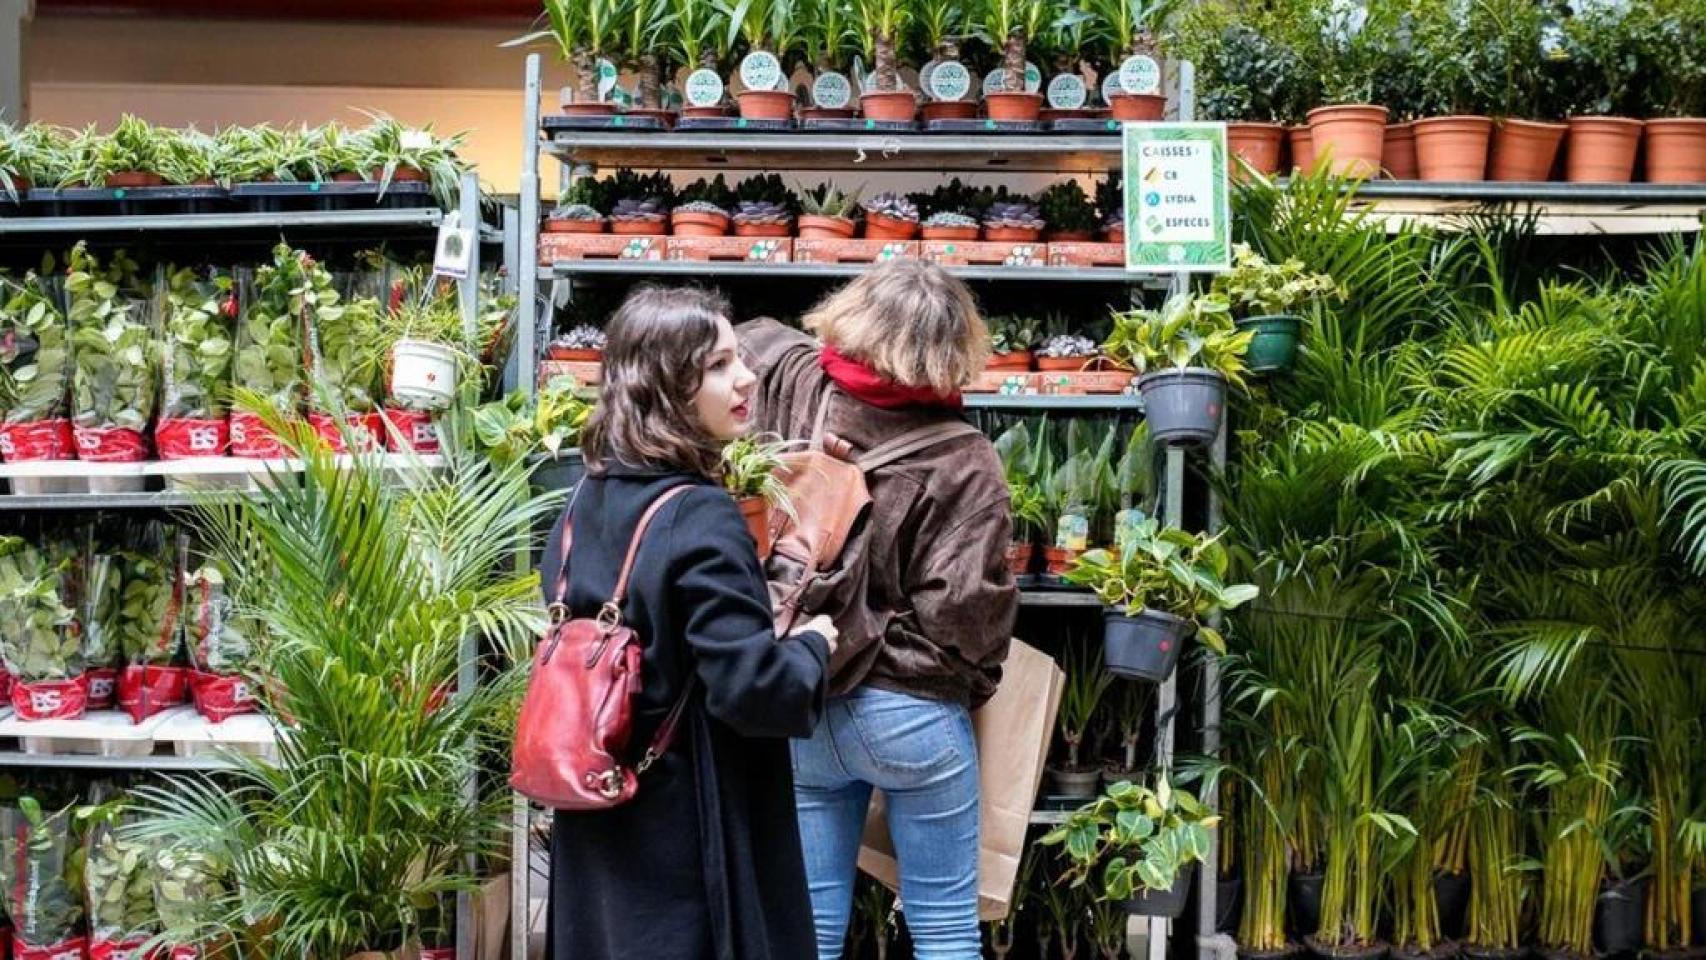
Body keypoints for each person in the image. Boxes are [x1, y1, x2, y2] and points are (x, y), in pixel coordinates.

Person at [543, 285, 837, 960]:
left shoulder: (584, 498)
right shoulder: (699, 514)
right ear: (667, 386)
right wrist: (813, 650)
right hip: (688, 830)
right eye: (717, 365)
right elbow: (752, 690)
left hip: (599, 815)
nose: (747, 377)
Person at [738, 259, 1019, 960]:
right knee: (945, 924)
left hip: (800, 692)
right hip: (909, 715)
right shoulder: (965, 459)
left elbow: (740, 343)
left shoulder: (793, 382)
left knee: (810, 924)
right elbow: (969, 623)